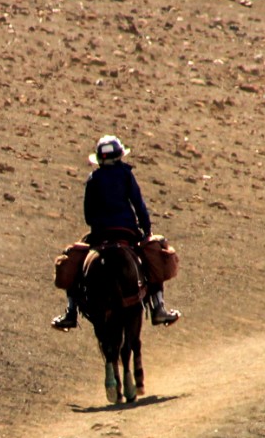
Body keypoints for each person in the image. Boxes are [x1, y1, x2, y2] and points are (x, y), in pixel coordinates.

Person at [52, 134, 179, 329]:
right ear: (120, 157)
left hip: (100, 233)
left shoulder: (93, 178)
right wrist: (146, 230)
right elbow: (138, 204)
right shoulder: (126, 175)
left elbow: (88, 214)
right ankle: (158, 307)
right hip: (127, 231)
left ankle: (71, 311)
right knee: (152, 257)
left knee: (75, 260)